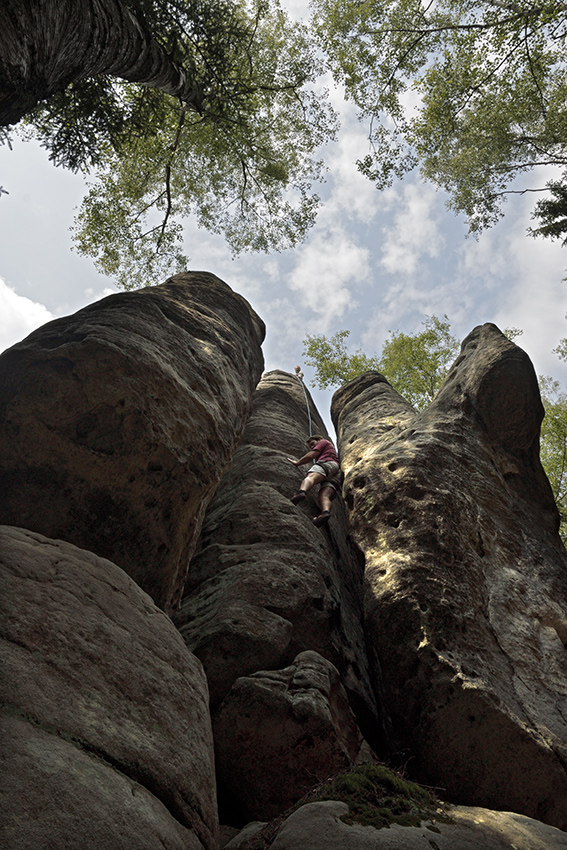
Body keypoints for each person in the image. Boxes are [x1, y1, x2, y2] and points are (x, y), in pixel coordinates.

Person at [287, 434, 343, 526]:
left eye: (313, 444)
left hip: (327, 463)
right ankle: (325, 513)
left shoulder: (323, 442)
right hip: (336, 472)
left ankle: (301, 492)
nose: (312, 447)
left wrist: (298, 463)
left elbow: (311, 455)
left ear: (319, 439)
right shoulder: (330, 449)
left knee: (311, 477)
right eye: (311, 446)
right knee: (324, 495)